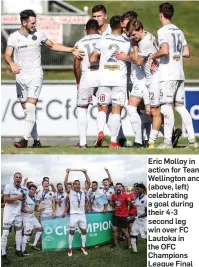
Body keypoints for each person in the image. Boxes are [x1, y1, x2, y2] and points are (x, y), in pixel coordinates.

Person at [4, 9, 84, 148]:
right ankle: (36, 141)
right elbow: (7, 55)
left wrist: (71, 50)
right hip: (21, 78)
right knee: (28, 111)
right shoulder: (13, 37)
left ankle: (24, 139)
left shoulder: (39, 35)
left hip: (36, 75)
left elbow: (53, 46)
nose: (35, 25)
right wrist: (11, 63)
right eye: (32, 23)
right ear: (23, 23)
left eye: (35, 22)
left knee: (30, 107)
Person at [150, 2, 198, 148]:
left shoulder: (163, 31)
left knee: (166, 108)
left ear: (161, 14)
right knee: (180, 107)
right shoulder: (179, 31)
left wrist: (153, 56)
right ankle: (192, 141)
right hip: (179, 73)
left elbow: (164, 50)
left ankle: (167, 142)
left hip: (168, 75)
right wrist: (175, 54)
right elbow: (187, 53)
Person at [90, 16, 131, 148]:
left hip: (104, 79)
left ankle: (100, 131)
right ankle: (114, 141)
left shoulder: (102, 39)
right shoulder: (127, 41)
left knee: (102, 108)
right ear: (120, 26)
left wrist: (103, 59)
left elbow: (92, 59)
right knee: (116, 111)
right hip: (119, 79)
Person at [127, 19, 162, 148]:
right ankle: (168, 133)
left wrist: (134, 46)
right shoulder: (148, 35)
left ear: (140, 30)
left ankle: (155, 140)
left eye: (133, 34)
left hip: (152, 79)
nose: (132, 37)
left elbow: (138, 62)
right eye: (130, 35)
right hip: (149, 78)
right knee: (149, 112)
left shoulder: (143, 43)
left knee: (154, 112)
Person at [74, 19, 101, 148]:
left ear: (86, 30)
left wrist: (78, 81)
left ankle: (83, 143)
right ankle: (110, 137)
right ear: (98, 29)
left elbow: (76, 66)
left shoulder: (79, 43)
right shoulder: (104, 40)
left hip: (86, 79)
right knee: (105, 108)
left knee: (82, 109)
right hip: (102, 79)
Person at [64, 168, 91, 257]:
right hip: (73, 215)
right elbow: (65, 183)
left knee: (84, 231)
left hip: (82, 215)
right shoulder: (70, 191)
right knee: (72, 232)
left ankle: (83, 247)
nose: (77, 185)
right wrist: (67, 173)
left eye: (78, 184)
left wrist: (85, 173)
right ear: (73, 185)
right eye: (75, 184)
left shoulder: (83, 191)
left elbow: (89, 183)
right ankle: (70, 248)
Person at [1, 172, 27, 264]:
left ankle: (18, 250)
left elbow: (23, 199)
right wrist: (17, 197)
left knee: (19, 232)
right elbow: (5, 200)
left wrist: (23, 206)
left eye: (20, 177)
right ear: (14, 178)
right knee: (5, 233)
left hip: (18, 213)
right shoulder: (8, 186)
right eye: (16, 177)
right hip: (9, 213)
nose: (18, 179)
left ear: (21, 179)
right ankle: (3, 254)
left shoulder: (24, 188)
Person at [21, 184, 43, 255]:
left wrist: (39, 210)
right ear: (29, 189)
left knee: (40, 229)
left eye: (34, 190)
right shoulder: (25, 197)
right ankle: (23, 250)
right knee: (26, 234)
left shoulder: (35, 197)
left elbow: (35, 208)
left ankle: (34, 245)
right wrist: (27, 211)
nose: (33, 191)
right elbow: (20, 208)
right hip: (26, 218)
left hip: (33, 218)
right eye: (32, 189)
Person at [110, 183, 132, 248]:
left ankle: (129, 244)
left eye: (119, 187)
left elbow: (130, 204)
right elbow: (113, 203)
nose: (118, 188)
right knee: (114, 229)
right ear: (115, 188)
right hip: (116, 215)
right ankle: (115, 243)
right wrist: (110, 202)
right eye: (117, 187)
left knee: (124, 230)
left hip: (123, 216)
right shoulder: (114, 195)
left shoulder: (125, 195)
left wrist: (129, 201)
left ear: (122, 188)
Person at [130, 183, 147, 253]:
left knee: (145, 237)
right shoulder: (136, 198)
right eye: (136, 189)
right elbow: (136, 209)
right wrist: (135, 216)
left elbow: (147, 213)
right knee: (133, 234)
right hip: (137, 220)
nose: (136, 190)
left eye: (138, 189)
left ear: (142, 189)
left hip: (144, 221)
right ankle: (135, 251)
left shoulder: (146, 199)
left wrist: (136, 216)